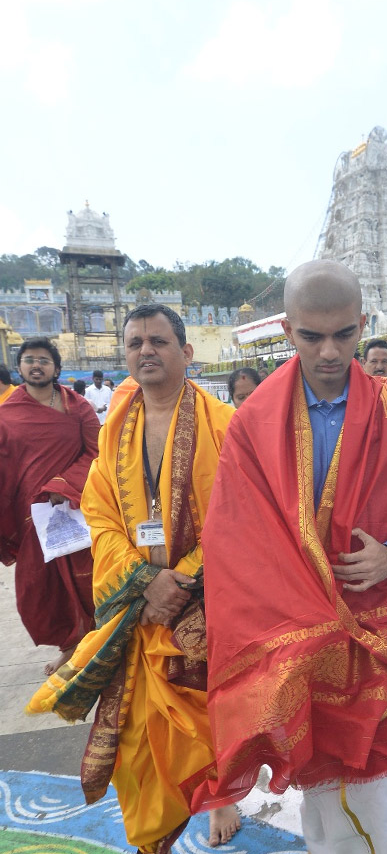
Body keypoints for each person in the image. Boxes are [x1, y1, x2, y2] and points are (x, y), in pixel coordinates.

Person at [191, 261, 387, 854]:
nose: (331, 350)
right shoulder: (253, 421)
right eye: (313, 336)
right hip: (293, 630)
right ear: (288, 330)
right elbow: (231, 534)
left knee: (384, 786)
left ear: (363, 324)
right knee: (319, 782)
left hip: (378, 624)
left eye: (344, 333)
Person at [27, 305, 239, 852]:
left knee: (204, 715)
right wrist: (145, 580)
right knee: (140, 737)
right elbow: (98, 512)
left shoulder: (224, 425)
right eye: (135, 342)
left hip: (205, 598)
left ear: (186, 353)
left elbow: (239, 517)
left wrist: (180, 580)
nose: (146, 350)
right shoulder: (118, 425)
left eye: (159, 341)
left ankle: (218, 795)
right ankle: (153, 835)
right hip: (139, 599)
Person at [0, 338, 99, 674]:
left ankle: (96, 646)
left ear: (57, 368)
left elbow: (96, 452)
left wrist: (63, 485)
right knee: (39, 588)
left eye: (44, 360)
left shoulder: (78, 407)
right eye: (29, 360)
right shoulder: (7, 414)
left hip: (73, 508)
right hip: (30, 515)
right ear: (20, 368)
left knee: (84, 580)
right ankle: (69, 647)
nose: (36, 365)